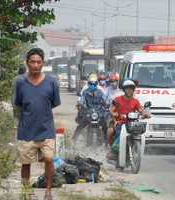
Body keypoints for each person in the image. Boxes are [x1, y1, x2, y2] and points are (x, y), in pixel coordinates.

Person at [15, 48, 61, 200]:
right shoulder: (20, 82)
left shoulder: (51, 82)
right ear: (27, 63)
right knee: (26, 163)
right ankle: (26, 191)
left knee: (48, 159)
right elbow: (19, 105)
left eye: (38, 62)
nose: (35, 65)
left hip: (46, 130)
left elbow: (53, 104)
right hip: (26, 131)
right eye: (32, 62)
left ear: (43, 63)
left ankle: (48, 192)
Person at [106, 80, 151, 160]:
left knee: (139, 134)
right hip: (120, 122)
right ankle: (115, 152)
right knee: (118, 132)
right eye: (127, 89)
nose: (129, 90)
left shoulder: (135, 101)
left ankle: (137, 151)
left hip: (131, 123)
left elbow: (140, 110)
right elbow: (112, 110)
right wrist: (113, 114)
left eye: (131, 89)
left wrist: (145, 114)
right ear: (124, 90)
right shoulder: (118, 99)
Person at [72, 75, 110, 144]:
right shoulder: (85, 92)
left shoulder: (100, 92)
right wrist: (80, 104)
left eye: (94, 84)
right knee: (81, 125)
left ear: (96, 84)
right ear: (88, 84)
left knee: (105, 127)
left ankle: (108, 143)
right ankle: (74, 140)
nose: (92, 85)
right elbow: (82, 100)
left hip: (99, 113)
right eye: (91, 84)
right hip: (89, 112)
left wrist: (108, 104)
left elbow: (105, 99)